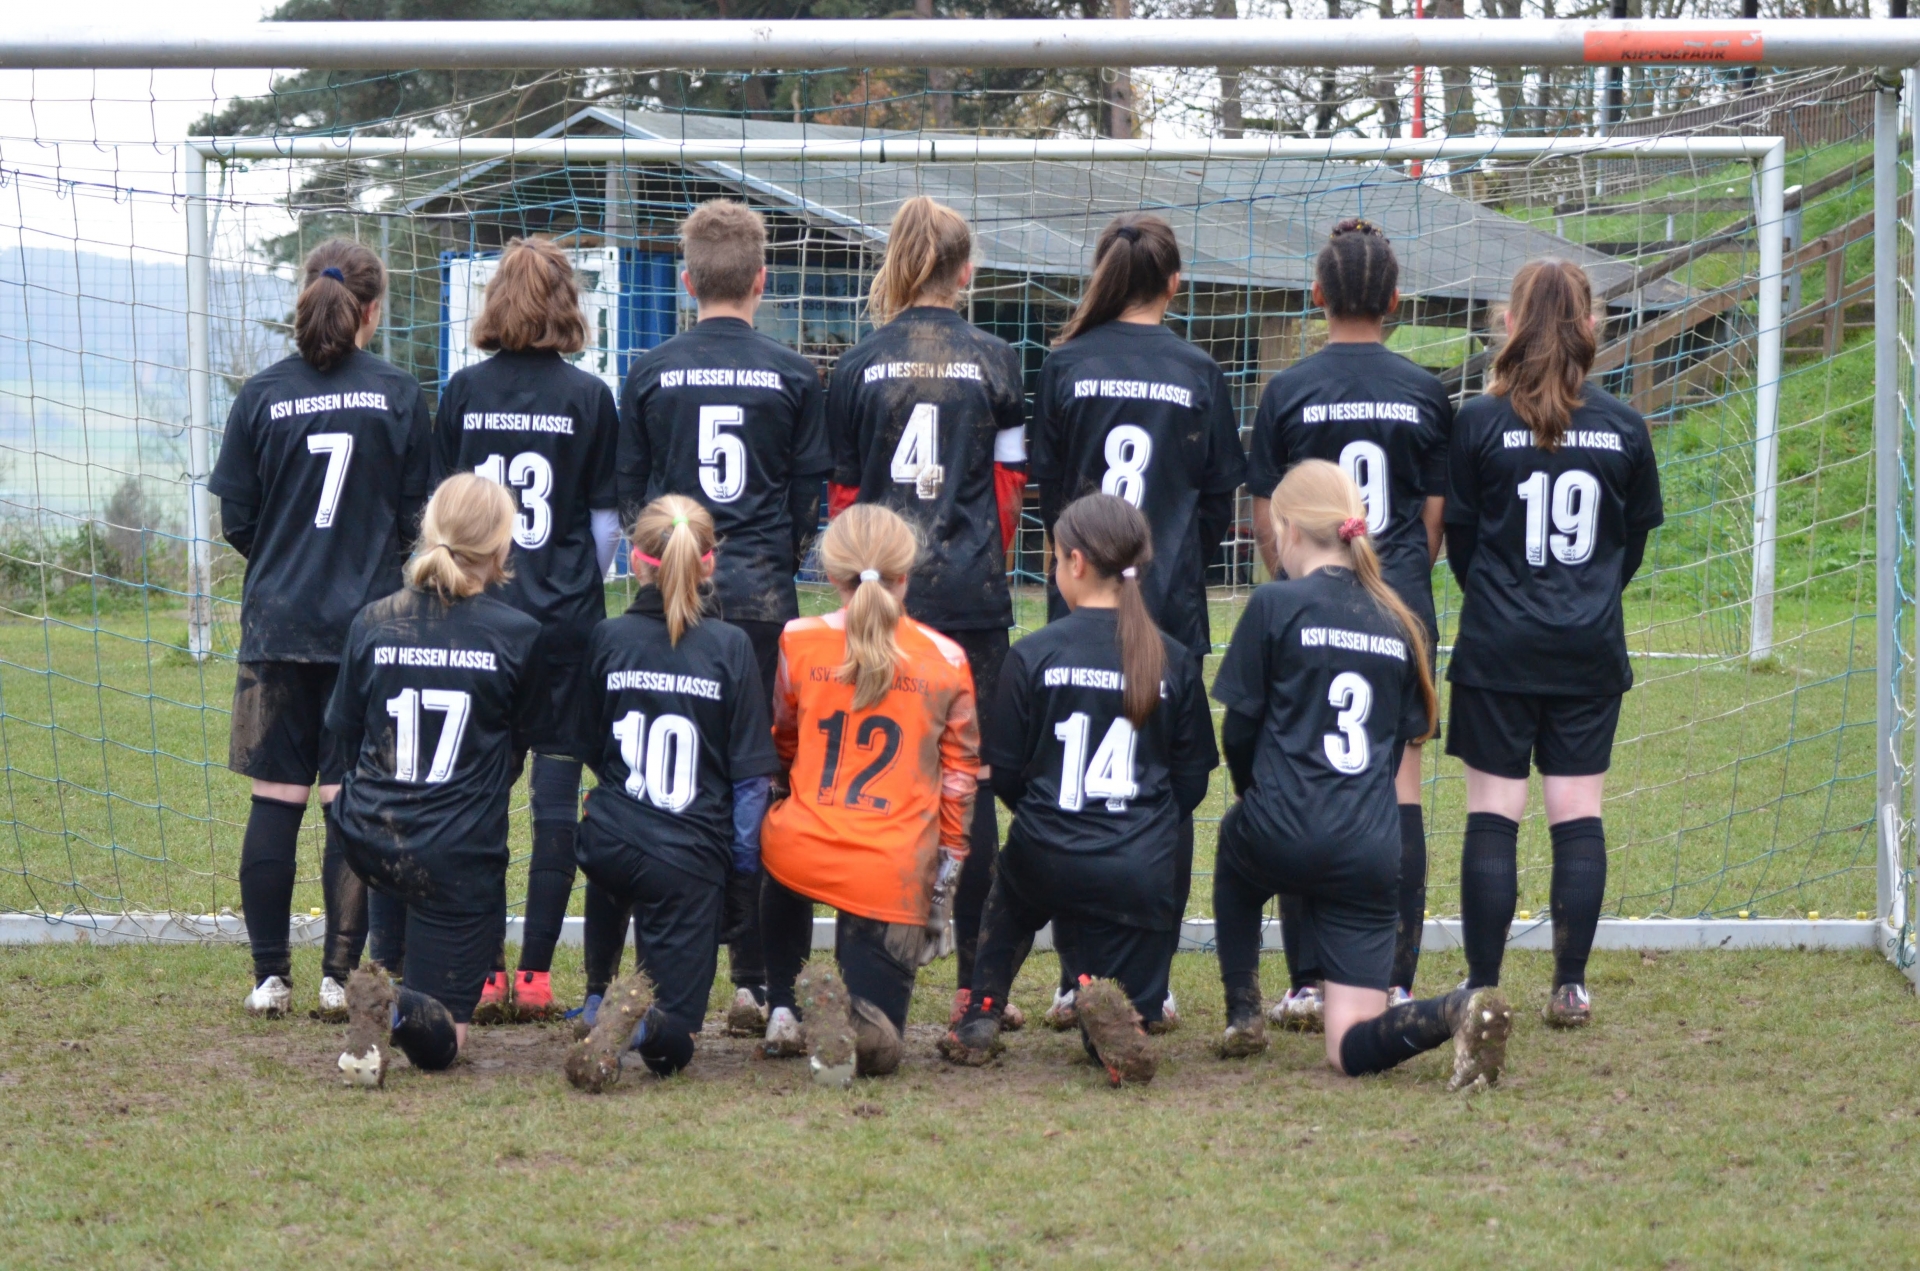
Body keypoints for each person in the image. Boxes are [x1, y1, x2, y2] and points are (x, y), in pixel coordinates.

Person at [1210, 460, 1512, 1089]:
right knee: (1349, 1047)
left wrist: (1252, 792)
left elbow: (1238, 729)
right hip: (1369, 851)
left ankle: (1243, 1011)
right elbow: (1399, 744)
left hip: (1280, 830)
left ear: (1291, 530)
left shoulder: (1274, 604)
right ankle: (1453, 1008)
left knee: (1234, 854)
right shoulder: (1399, 620)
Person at [1026, 211, 1245, 1028]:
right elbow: (1219, 497)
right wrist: (1178, 561)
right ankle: (1151, 983)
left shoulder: (1064, 364)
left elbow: (1050, 493)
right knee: (1165, 794)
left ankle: (1073, 977)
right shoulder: (1199, 370)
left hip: (1080, 603)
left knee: (1073, 783)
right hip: (1168, 609)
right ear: (1175, 283)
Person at [619, 199, 830, 1037]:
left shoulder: (649, 370)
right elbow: (809, 500)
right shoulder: (796, 373)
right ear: (762, 281)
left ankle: (663, 974)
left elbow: (635, 500)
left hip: (675, 603)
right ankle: (764, 984)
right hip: (764, 606)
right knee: (766, 787)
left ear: (686, 282)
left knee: (670, 779)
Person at [209, 237, 430, 1020]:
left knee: (275, 797)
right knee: (346, 800)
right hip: (368, 630)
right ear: (374, 310)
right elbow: (419, 518)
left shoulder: (261, 394)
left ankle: (269, 977)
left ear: (307, 296)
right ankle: (339, 977)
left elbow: (237, 517)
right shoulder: (398, 394)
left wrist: (284, 559)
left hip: (276, 624)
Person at [1245, 218, 1454, 1030]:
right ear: (1395, 300)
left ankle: (1308, 980)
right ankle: (1392, 981)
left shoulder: (1287, 390)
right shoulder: (1426, 390)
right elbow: (1431, 525)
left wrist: (1299, 592)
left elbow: (1268, 521)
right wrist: (1390, 584)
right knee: (1399, 787)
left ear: (1317, 294)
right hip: (1399, 607)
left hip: (1307, 608)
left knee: (1305, 773)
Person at [1445, 258, 1664, 1028]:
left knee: (1493, 811)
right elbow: (1628, 548)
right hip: (1587, 648)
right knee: (1577, 812)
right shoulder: (1626, 427)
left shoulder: (1477, 423)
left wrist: (1505, 601)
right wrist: (1585, 599)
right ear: (1591, 326)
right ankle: (1570, 986)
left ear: (1510, 324)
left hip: (1496, 647)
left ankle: (1482, 985)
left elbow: (1462, 546)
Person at [825, 196, 1026, 1026]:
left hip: (882, 598)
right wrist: (979, 559)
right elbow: (1009, 492)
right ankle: (976, 987)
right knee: (970, 784)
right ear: (966, 270)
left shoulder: (855, 366)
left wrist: (858, 592)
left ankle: (871, 981)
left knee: (877, 778)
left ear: (898, 263)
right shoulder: (998, 360)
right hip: (972, 600)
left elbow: (844, 502)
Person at [940, 494, 1217, 1084]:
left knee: (1011, 896)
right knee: (1125, 997)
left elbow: (1004, 772)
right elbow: (1192, 778)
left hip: (1047, 852)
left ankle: (981, 1013)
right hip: (1138, 870)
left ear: (1076, 562)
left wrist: (1049, 817)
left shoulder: (1033, 654)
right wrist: (1141, 826)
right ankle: (1112, 1024)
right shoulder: (1173, 658)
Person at [433, 235, 622, 1022]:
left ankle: (480, 970)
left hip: (479, 620)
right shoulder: (590, 396)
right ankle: (538, 975)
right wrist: (571, 582)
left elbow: (446, 516)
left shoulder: (461, 392)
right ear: (569, 304)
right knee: (555, 795)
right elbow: (606, 525)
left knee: (477, 791)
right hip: (564, 623)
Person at [327, 474, 544, 1086]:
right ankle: (393, 1006)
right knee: (444, 1044)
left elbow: (343, 730)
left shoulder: (372, 620)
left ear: (429, 531)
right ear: (502, 547)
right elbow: (521, 746)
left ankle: (384, 976)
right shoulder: (519, 635)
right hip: (455, 852)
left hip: (369, 835)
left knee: (407, 862)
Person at [758, 504, 980, 1083]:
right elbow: (960, 781)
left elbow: (783, 739)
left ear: (832, 575)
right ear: (907, 574)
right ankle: (842, 1012)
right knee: (879, 1053)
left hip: (800, 848)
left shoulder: (797, 640)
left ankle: (784, 1005)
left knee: (777, 844)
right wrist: (945, 879)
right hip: (891, 867)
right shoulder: (947, 660)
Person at [565, 495, 778, 1081]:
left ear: (635, 561)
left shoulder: (608, 636)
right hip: (686, 861)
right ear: (710, 563)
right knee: (674, 1048)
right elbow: (751, 783)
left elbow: (591, 746)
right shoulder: (730, 646)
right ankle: (634, 1025)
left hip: (609, 842)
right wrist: (740, 877)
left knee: (614, 834)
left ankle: (597, 996)